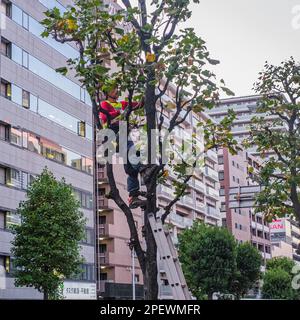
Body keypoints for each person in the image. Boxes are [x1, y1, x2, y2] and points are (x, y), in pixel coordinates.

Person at [99, 87, 147, 209]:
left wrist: (145, 96)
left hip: (123, 132)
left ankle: (133, 196)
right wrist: (121, 113)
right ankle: (142, 168)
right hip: (112, 133)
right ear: (107, 92)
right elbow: (105, 118)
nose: (117, 90)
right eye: (113, 89)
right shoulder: (105, 104)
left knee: (131, 169)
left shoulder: (122, 104)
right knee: (132, 150)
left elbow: (137, 105)